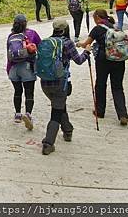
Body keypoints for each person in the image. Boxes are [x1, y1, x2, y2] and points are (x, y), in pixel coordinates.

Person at [39, 19, 91, 155]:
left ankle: (68, 130)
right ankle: (48, 143)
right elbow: (79, 60)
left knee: (59, 106)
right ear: (66, 29)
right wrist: (87, 52)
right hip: (60, 83)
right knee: (56, 112)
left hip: (44, 82)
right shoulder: (67, 43)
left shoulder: (46, 42)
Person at [77, 10, 128, 126]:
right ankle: (123, 114)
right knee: (118, 87)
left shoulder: (97, 29)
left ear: (97, 17)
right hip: (119, 60)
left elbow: (86, 44)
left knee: (100, 84)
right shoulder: (116, 27)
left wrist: (79, 44)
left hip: (103, 60)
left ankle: (100, 111)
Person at [6, 14, 41, 130]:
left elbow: (8, 54)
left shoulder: (11, 36)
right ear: (25, 23)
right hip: (27, 67)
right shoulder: (32, 33)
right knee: (29, 92)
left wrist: (9, 69)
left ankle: (17, 114)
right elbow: (41, 47)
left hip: (13, 69)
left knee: (17, 91)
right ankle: (28, 114)